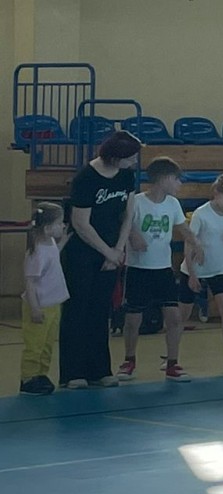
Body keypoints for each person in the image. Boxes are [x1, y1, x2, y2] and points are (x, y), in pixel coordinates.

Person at [58, 131, 142, 389]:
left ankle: (99, 369)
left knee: (99, 310)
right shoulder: (86, 178)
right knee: (77, 310)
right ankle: (72, 372)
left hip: (112, 250)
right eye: (130, 157)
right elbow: (80, 223)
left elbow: (128, 214)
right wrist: (107, 252)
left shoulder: (126, 176)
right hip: (83, 252)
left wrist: (118, 249)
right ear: (116, 157)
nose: (134, 162)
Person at [117, 156, 195, 381]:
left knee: (174, 317)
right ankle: (129, 359)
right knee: (133, 319)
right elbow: (123, 220)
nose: (179, 184)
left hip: (163, 269)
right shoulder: (137, 201)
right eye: (177, 179)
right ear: (164, 179)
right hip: (138, 268)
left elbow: (182, 227)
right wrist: (134, 234)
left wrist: (197, 243)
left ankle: (172, 362)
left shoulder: (173, 204)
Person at [183, 174, 223, 374]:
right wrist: (192, 274)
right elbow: (189, 244)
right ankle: (170, 357)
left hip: (217, 270)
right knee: (181, 316)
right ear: (216, 193)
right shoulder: (201, 214)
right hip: (195, 269)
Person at [20, 203, 68, 396]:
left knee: (47, 344)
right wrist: (34, 308)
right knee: (35, 345)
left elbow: (54, 256)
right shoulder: (36, 252)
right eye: (60, 223)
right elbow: (30, 283)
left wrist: (65, 240)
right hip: (40, 306)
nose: (63, 225)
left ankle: (41, 374)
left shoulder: (50, 244)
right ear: (48, 228)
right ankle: (28, 378)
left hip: (53, 305)